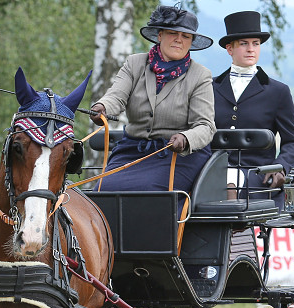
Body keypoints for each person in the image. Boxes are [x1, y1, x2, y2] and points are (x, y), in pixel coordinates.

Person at [90, 4, 216, 203]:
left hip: (178, 157)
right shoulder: (135, 64)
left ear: (191, 42)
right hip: (131, 151)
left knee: (150, 193)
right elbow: (116, 96)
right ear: (159, 35)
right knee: (101, 191)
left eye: (185, 36)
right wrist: (102, 108)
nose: (178, 39)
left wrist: (185, 138)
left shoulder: (200, 75)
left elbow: (205, 126)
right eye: (172, 33)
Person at [212, 10, 294, 199]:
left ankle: (237, 227)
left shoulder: (278, 92)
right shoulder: (208, 87)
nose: (251, 49)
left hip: (258, 175)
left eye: (255, 44)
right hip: (212, 170)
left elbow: (293, 142)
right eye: (244, 44)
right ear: (230, 49)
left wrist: (281, 167)